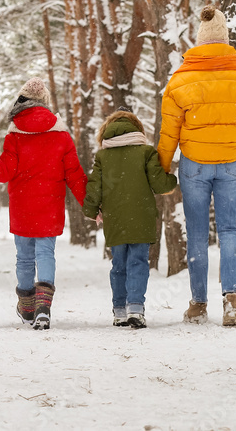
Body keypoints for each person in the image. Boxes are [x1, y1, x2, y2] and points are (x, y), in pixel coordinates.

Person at [156, 5, 236, 327]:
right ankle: (232, 301)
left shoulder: (179, 81)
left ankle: (198, 304)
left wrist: (161, 171)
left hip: (195, 167)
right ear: (226, 41)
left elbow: (168, 133)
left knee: (198, 234)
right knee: (231, 230)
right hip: (234, 164)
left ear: (199, 42)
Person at [0, 78, 88, 330]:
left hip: (22, 207)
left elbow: (3, 173)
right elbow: (75, 175)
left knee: (25, 257)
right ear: (46, 103)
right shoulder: (61, 135)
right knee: (46, 253)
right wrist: (91, 206)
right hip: (50, 207)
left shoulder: (15, 134)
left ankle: (27, 307)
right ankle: (43, 308)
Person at [82, 109, 177, 329]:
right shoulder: (145, 152)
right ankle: (136, 308)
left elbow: (94, 186)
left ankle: (119, 311)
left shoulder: (103, 156)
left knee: (119, 265)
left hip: (115, 217)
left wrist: (90, 209)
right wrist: (173, 179)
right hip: (141, 216)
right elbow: (160, 184)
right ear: (137, 129)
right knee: (139, 262)